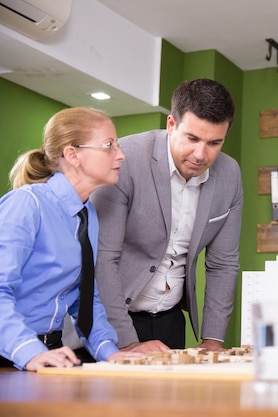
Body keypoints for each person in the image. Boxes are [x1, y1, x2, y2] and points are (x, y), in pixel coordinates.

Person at [91, 78, 243, 354]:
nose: (201, 154)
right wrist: (128, 342)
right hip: (113, 320)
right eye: (192, 138)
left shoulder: (229, 174)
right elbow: (103, 258)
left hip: (172, 322)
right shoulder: (125, 160)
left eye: (214, 143)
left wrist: (213, 339)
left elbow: (223, 263)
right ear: (171, 124)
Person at [0, 107, 143, 370]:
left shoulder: (87, 214)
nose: (120, 154)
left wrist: (109, 352)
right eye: (109, 145)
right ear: (72, 154)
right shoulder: (27, 204)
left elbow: (86, 298)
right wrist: (28, 352)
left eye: (118, 145)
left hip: (50, 353)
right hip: (12, 353)